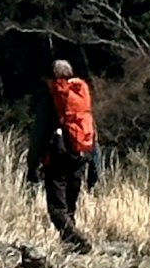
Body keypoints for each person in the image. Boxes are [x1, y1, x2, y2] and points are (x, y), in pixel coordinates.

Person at [29, 58, 99, 246]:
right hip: (80, 156)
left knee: (57, 210)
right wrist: (94, 166)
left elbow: (38, 134)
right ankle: (72, 248)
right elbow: (92, 131)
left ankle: (78, 242)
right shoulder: (81, 94)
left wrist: (32, 165)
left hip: (57, 158)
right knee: (69, 208)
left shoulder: (52, 98)